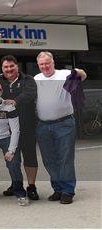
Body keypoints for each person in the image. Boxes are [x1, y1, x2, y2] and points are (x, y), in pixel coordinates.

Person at [34, 51, 87, 205]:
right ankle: (58, 188)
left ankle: (68, 191)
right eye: (41, 64)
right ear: (38, 65)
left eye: (47, 63)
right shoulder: (36, 79)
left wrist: (78, 71)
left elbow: (82, 75)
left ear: (53, 63)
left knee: (65, 159)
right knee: (49, 160)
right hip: (43, 125)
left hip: (64, 124)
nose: (45, 66)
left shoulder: (64, 74)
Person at [0, 54, 39, 200]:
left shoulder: (28, 79)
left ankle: (31, 187)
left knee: (29, 157)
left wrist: (15, 101)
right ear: (2, 68)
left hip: (27, 127)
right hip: (7, 130)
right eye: (5, 67)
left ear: (17, 66)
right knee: (12, 160)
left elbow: (30, 94)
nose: (9, 69)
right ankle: (16, 184)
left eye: (11, 66)